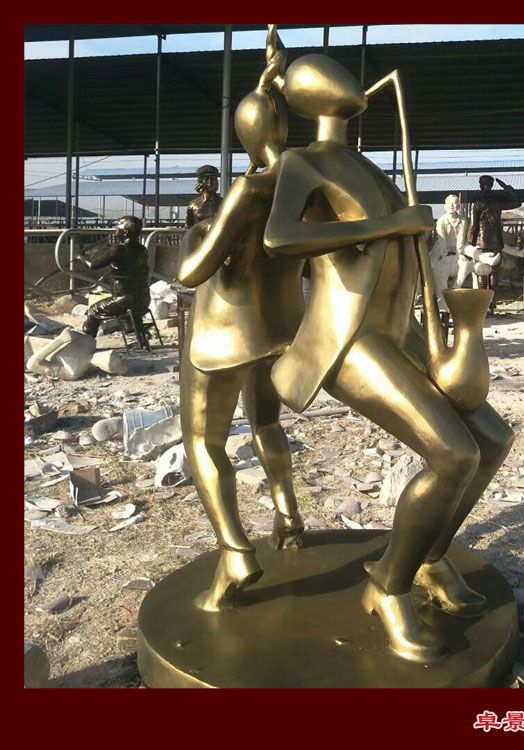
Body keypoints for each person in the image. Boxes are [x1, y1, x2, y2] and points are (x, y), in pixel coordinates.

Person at [263, 53, 514, 664]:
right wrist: (388, 225)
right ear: (309, 93)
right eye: (331, 72)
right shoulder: (304, 162)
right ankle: (388, 584)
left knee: (491, 439)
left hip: (400, 331)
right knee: (452, 453)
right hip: (349, 339)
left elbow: (403, 240)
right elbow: (280, 237)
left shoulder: (370, 165)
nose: (349, 80)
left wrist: (414, 233)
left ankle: (429, 556)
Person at [177, 29, 306, 612]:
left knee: (204, 442)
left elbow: (192, 272)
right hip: (278, 332)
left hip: (221, 336)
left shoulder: (247, 191)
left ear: (245, 137)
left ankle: (235, 551)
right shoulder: (303, 185)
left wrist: (198, 236)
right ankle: (288, 516)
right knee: (266, 424)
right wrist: (270, 82)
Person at [79, 216, 151, 348]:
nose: (115, 230)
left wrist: (81, 258)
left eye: (117, 226)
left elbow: (93, 265)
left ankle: (84, 345)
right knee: (132, 314)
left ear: (125, 232)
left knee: (93, 312)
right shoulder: (142, 250)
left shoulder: (119, 249)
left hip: (124, 300)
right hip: (144, 299)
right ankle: (143, 341)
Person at [468, 175, 521, 311]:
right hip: (496, 240)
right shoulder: (498, 201)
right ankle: (492, 301)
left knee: (481, 270)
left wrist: (470, 244)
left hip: (481, 241)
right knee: (495, 272)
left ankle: (483, 302)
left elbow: (474, 226)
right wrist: (507, 188)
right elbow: (517, 202)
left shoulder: (477, 203)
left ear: (480, 185)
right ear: (492, 185)